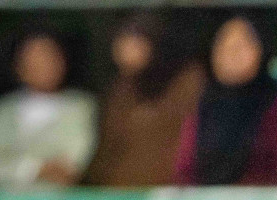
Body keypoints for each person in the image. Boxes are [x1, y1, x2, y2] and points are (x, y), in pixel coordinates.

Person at [174, 16, 277, 186]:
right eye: (225, 46)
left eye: (241, 46)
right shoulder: (198, 102)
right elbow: (184, 169)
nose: (232, 54)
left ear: (261, 51)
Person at [85, 12, 204, 187]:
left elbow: (191, 143)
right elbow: (105, 151)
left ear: (154, 43)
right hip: (117, 196)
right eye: (121, 44)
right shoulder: (119, 90)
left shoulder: (187, 82)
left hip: (168, 196)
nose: (126, 52)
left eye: (135, 43)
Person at [0, 31, 97, 191]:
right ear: (18, 65)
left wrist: (13, 165)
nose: (43, 64)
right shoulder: (1, 111)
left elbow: (71, 167)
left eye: (50, 56)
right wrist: (37, 169)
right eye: (33, 57)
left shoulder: (81, 107)